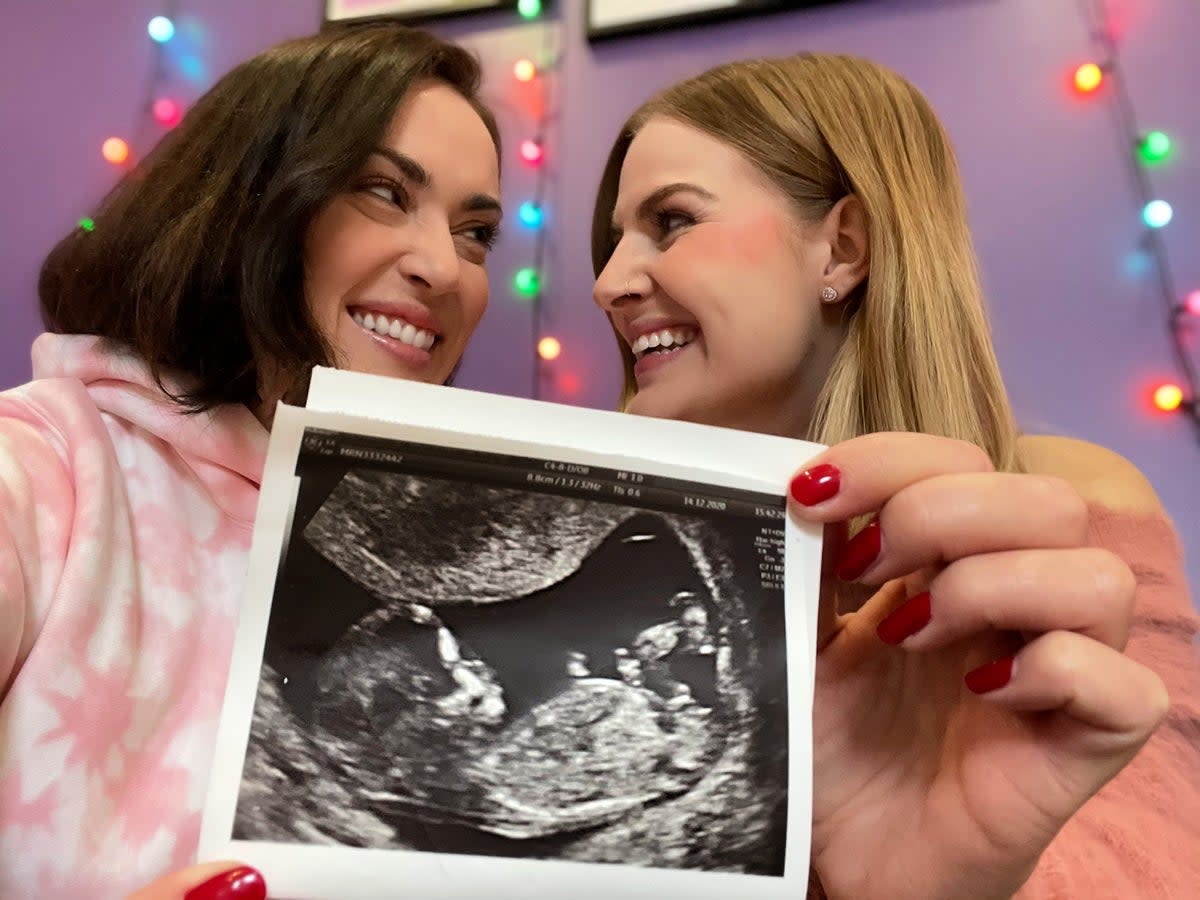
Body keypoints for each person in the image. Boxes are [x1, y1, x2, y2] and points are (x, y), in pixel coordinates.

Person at [591, 53, 1198, 899]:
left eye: (673, 221)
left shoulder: (1071, 513)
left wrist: (966, 875)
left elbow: (1156, 859)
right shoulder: (609, 551)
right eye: (614, 238)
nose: (609, 283)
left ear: (842, 246)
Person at [0, 21, 502, 898]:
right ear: (254, 201)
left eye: (475, 232)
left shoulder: (450, 549)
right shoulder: (43, 471)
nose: (444, 268)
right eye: (384, 192)